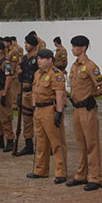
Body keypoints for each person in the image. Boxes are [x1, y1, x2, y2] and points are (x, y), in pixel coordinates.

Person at [67, 35, 102, 191]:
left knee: (91, 143)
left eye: (75, 46)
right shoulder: (74, 66)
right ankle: (81, 174)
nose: (72, 49)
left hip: (87, 109)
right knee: (81, 143)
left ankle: (95, 177)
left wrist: (91, 96)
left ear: (83, 47)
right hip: (77, 109)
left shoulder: (91, 66)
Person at [29, 48, 68, 183]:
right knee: (41, 142)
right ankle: (40, 170)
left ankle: (61, 172)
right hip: (39, 109)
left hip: (49, 109)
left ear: (50, 60)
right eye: (38, 58)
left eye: (42, 58)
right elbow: (34, 92)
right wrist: (34, 106)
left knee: (56, 142)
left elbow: (59, 94)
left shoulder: (56, 74)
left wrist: (59, 112)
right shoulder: (37, 74)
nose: (39, 61)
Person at [15, 34, 39, 156]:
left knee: (40, 120)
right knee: (27, 120)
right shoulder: (24, 58)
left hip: (35, 92)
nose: (25, 45)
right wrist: (19, 94)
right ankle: (28, 145)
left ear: (34, 45)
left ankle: (46, 145)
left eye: (28, 43)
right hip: (25, 91)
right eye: (25, 43)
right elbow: (20, 75)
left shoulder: (39, 58)